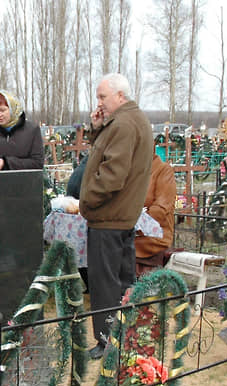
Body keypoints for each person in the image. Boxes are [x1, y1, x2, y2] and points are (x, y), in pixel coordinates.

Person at [79, 73, 154, 359]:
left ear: (120, 96)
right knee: (123, 283)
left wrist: (87, 200)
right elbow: (107, 154)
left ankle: (106, 341)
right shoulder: (132, 119)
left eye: (103, 97)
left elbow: (112, 175)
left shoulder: (123, 124)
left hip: (108, 218)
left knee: (104, 284)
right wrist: (97, 128)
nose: (99, 103)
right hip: (122, 216)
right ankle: (125, 336)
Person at [134, 154, 176, 260]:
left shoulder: (163, 170)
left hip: (154, 237)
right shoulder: (131, 170)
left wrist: (134, 227)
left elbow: (160, 209)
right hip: (127, 232)